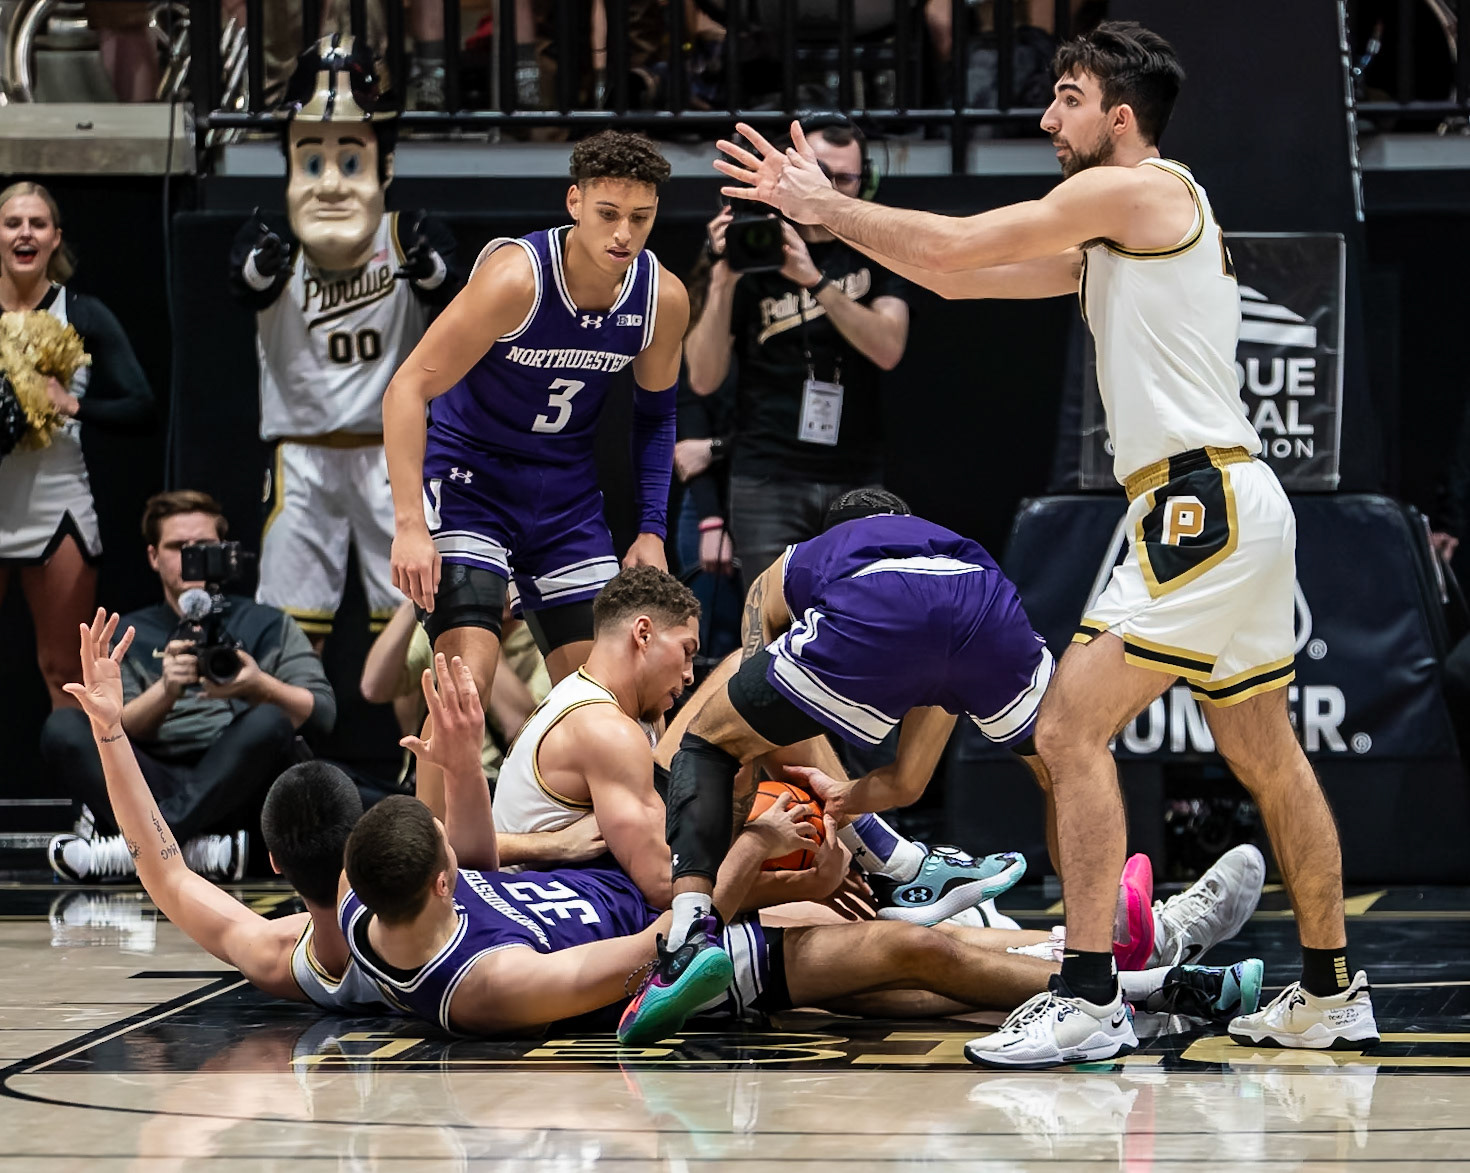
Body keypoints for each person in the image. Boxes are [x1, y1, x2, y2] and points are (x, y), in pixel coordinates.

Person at [712, 20, 1380, 1062]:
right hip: (1236, 500)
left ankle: (1087, 993)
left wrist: (822, 202)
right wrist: (832, 225)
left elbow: (963, 242)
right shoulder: (1122, 235)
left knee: (1066, 731)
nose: (1044, 116)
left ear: (1118, 117)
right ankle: (1336, 991)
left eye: (1065, 96)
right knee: (1266, 753)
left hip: (1199, 501)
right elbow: (953, 277)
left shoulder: (1143, 188)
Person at [340, 659, 1263, 1043]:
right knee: (918, 949)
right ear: (434, 881)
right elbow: (664, 951)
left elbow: (477, 858)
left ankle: (1129, 952)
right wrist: (744, 852)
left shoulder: (377, 903)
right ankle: (1148, 981)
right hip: (696, 954)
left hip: (674, 905)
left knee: (918, 962)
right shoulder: (484, 986)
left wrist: (464, 767)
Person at [383, 130, 687, 716]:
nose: (624, 233)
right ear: (575, 203)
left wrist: (651, 528)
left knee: (606, 703)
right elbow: (406, 389)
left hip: (565, 495)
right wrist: (409, 524)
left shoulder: (662, 298)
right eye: (608, 214)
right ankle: (429, 816)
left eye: (640, 218)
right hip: (472, 478)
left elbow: (655, 415)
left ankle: (573, 812)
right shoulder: (516, 278)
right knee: (464, 696)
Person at [230, 34, 458, 650]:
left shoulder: (408, 236)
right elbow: (244, 282)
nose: (330, 184)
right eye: (311, 162)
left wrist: (436, 272)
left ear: (384, 166)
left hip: (394, 459)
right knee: (286, 637)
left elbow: (452, 287)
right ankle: (284, 749)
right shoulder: (270, 249)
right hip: (301, 457)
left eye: (350, 161)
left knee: (414, 636)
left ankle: (421, 752)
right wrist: (254, 268)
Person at [56, 608, 384, 1011]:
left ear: (275, 862)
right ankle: (195, 842)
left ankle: (139, 847)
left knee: (266, 723)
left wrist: (109, 730)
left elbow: (167, 876)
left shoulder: (270, 957)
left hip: (223, 780)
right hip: (169, 774)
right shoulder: (435, 936)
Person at [42, 491, 336, 882]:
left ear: (227, 552)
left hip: (238, 780)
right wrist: (166, 691)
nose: (192, 558)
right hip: (149, 777)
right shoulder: (129, 631)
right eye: (179, 547)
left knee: (268, 721)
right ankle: (194, 851)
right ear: (153, 556)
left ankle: (139, 851)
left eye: (205, 548)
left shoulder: (268, 624)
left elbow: (323, 713)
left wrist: (259, 685)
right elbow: (116, 727)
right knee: (64, 726)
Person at [684, 114, 912, 594]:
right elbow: (702, 378)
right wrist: (724, 278)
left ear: (864, 182)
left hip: (856, 472)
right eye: (819, 172)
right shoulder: (755, 242)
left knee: (859, 613)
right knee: (768, 624)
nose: (828, 187)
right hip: (767, 474)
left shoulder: (878, 247)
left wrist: (816, 281)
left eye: (844, 178)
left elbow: (889, 347)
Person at [0, 181, 155, 710]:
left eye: (37, 223)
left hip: (56, 498)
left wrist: (71, 406)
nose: (25, 232)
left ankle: (85, 793)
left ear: (55, 237)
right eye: (13, 222)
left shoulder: (81, 312)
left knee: (65, 667)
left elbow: (141, 404)